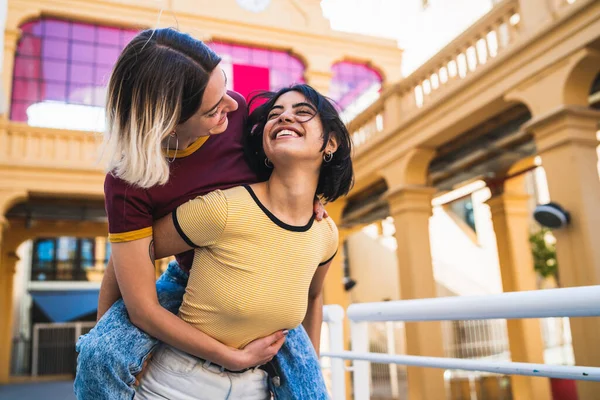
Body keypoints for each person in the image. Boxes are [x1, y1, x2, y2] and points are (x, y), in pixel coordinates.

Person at [73, 28, 329, 400]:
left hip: (274, 282)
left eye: (224, 88)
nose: (230, 104)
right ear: (168, 125)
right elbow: (137, 297)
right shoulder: (129, 182)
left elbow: (296, 154)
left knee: (311, 389)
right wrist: (230, 357)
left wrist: (311, 196)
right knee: (100, 354)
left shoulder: (239, 114)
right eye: (212, 109)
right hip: (194, 281)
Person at [135, 83, 353, 399]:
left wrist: (309, 365)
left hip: (257, 387)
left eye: (302, 112)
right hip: (176, 386)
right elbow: (130, 252)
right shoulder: (223, 208)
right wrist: (112, 334)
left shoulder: (325, 234)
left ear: (329, 142)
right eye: (275, 115)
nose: (285, 118)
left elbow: (313, 296)